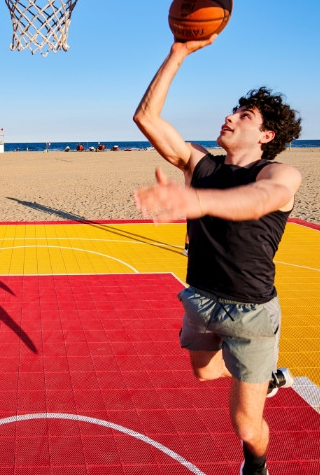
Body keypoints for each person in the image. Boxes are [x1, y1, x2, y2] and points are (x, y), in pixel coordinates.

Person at [132, 35, 302, 475]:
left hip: (250, 312)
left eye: (243, 116)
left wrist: (199, 204)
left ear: (266, 135)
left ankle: (257, 466)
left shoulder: (278, 172)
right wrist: (178, 52)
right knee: (205, 373)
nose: (229, 117)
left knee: (246, 426)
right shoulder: (200, 165)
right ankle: (265, 378)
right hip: (202, 298)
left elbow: (263, 198)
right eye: (232, 110)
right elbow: (146, 116)